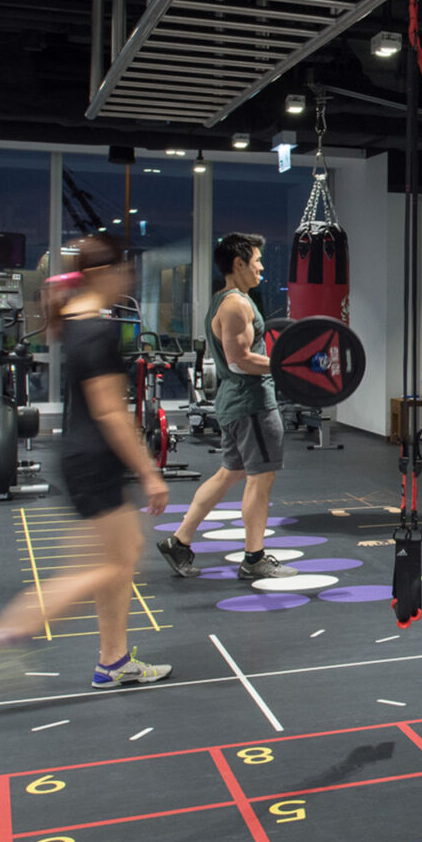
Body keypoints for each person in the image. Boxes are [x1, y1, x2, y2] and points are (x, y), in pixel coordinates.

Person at [0, 235, 172, 703]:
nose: (127, 280)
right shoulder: (97, 331)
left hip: (81, 458)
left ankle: (114, 662)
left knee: (117, 562)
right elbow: (110, 412)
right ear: (104, 275)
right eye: (124, 272)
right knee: (107, 567)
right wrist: (149, 472)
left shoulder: (76, 321)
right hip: (96, 459)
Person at [157, 233, 297, 581]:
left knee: (229, 473)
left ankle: (180, 541)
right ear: (239, 264)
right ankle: (254, 559)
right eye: (257, 261)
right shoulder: (236, 305)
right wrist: (290, 366)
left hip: (237, 402)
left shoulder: (225, 300)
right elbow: (240, 360)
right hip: (251, 403)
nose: (262, 267)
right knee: (260, 480)